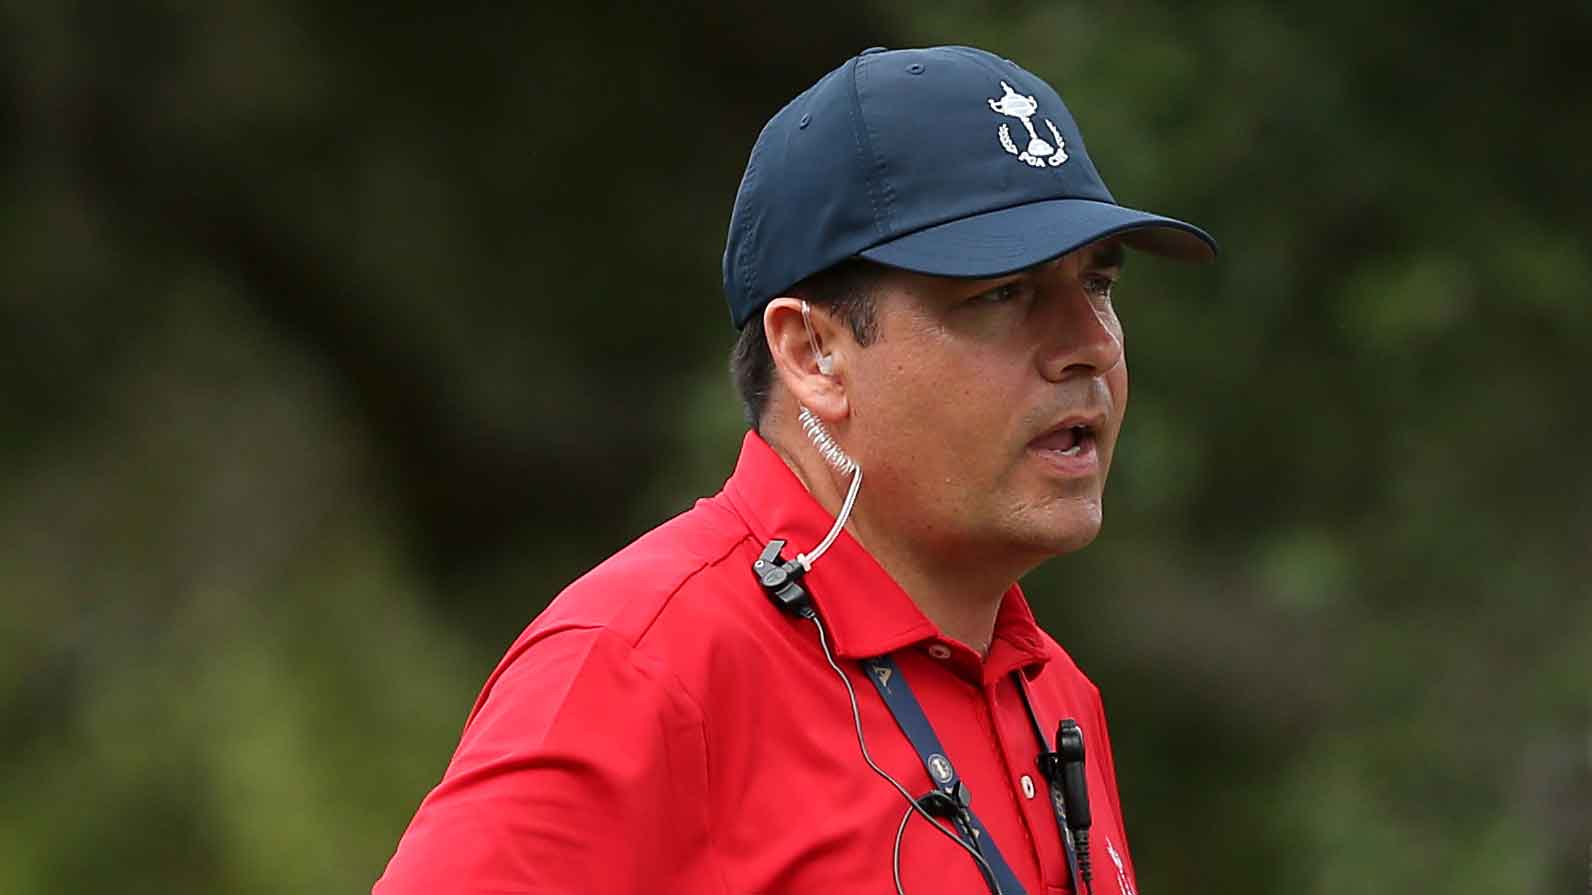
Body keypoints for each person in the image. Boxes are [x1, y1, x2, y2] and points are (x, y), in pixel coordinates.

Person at [374, 44, 1215, 895]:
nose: (1093, 345)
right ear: (813, 351)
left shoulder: (1053, 691)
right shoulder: (637, 668)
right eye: (1005, 293)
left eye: (1099, 285)